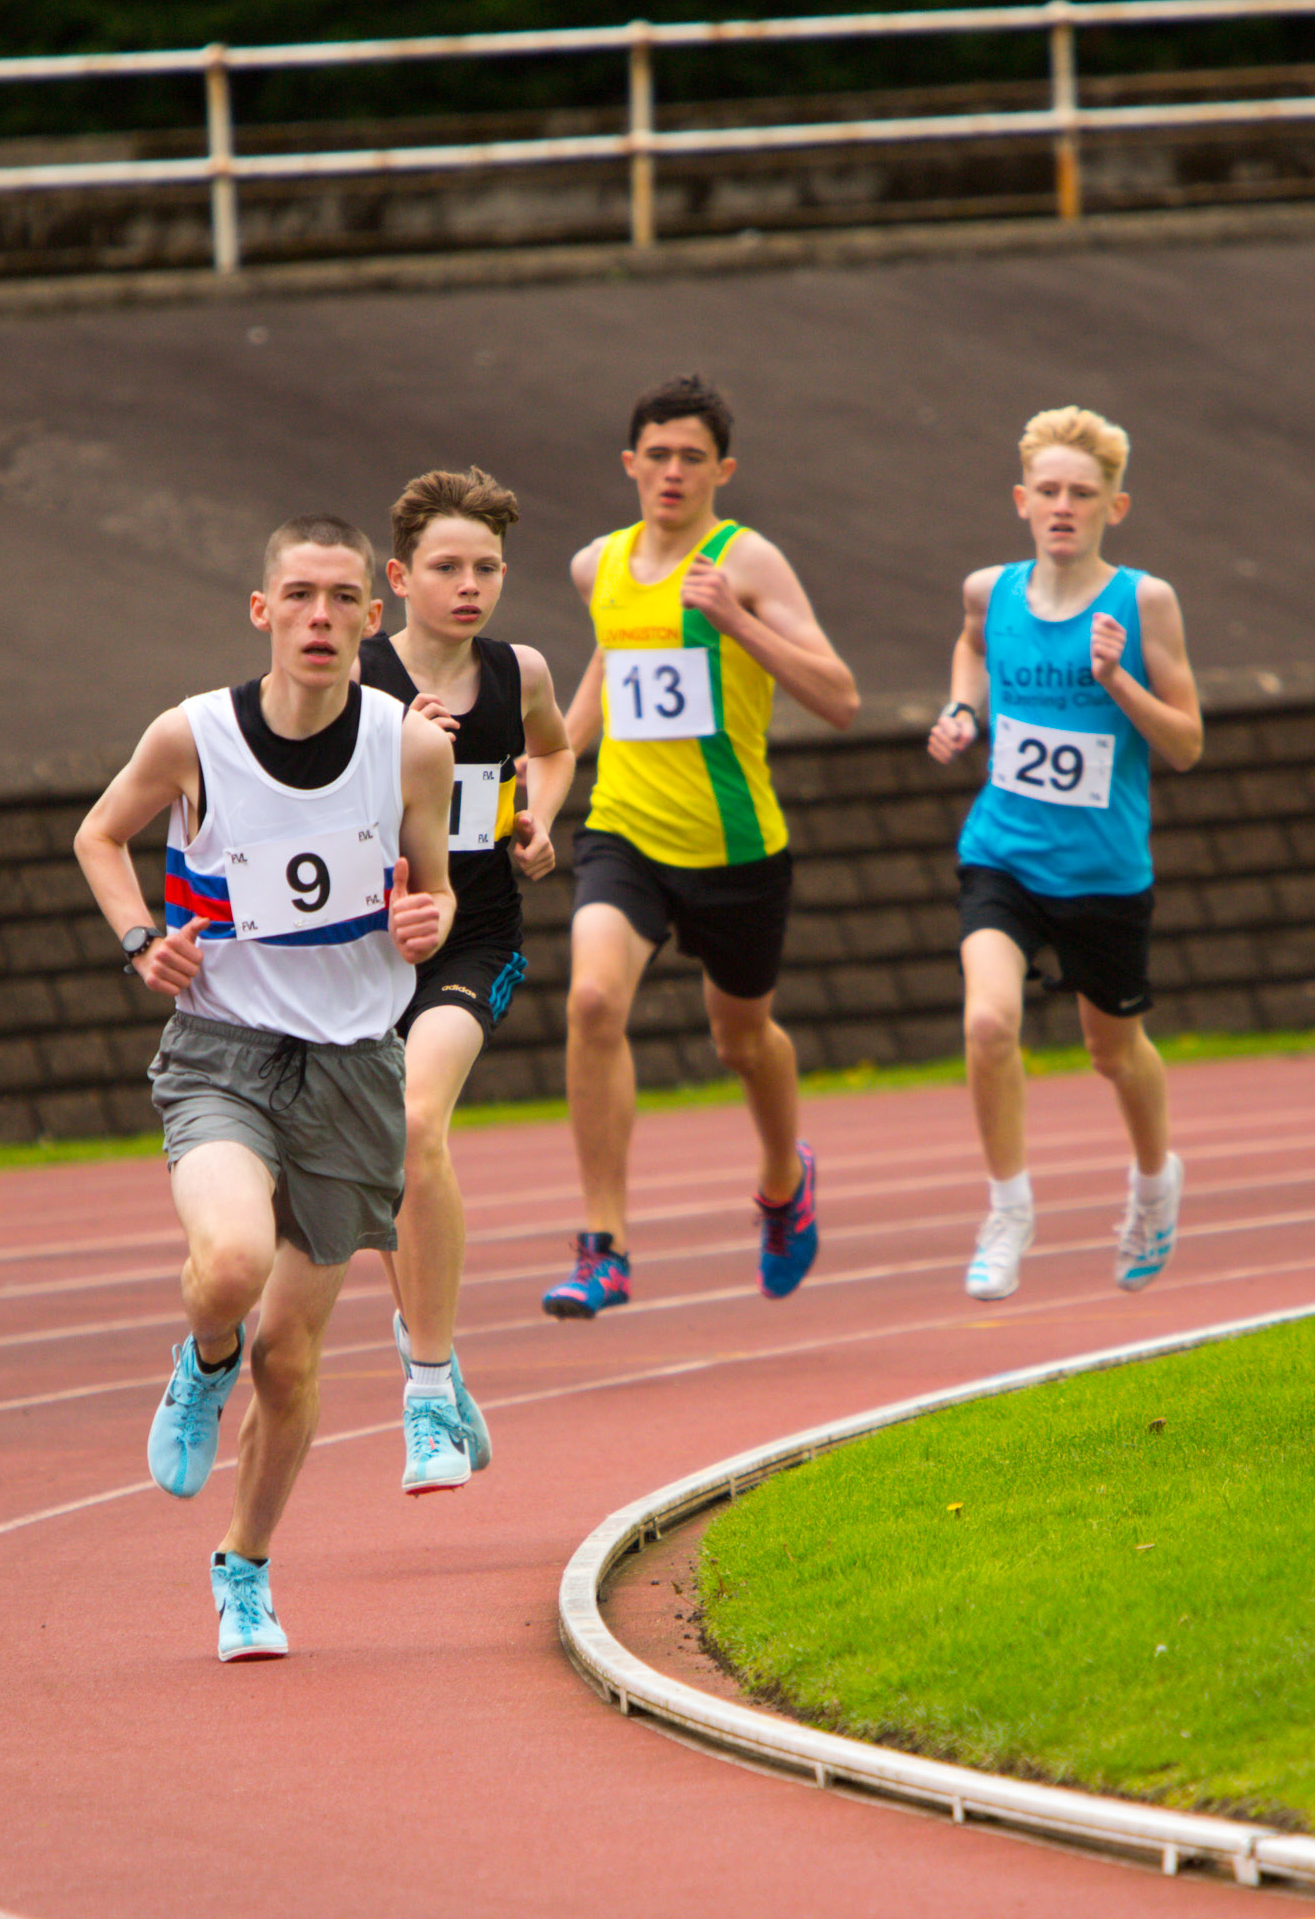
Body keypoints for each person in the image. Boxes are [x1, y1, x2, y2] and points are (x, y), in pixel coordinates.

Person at [74, 515, 455, 1661]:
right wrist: (141, 940)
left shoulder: (408, 749)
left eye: (342, 599)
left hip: (352, 1072)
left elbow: (433, 899)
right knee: (233, 1264)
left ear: (373, 618)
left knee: (290, 1358)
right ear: (263, 611)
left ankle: (243, 1566)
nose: (320, 618)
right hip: (224, 1056)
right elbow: (99, 837)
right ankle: (203, 1358)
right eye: (299, 596)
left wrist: (425, 921)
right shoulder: (191, 736)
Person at [544, 373, 861, 1319]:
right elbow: (611, 668)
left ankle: (784, 1182)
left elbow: (840, 698)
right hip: (626, 831)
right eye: (658, 456)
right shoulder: (598, 565)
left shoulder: (748, 562)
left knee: (742, 1040)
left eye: (692, 458)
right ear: (629, 463)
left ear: (724, 470)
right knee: (592, 1000)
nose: (673, 473)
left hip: (735, 848)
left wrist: (735, 621)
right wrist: (545, 779)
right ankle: (602, 1247)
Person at [926, 406, 1203, 1301]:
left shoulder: (1144, 603)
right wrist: (962, 710)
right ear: (1021, 501)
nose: (1062, 507)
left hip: (1102, 870)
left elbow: (1187, 743)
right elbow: (971, 648)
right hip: (1002, 854)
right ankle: (1008, 1209)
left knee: (1113, 1052)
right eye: (1047, 491)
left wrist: (1118, 680)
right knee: (987, 1023)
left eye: (1082, 494)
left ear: (1114, 508)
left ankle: (1155, 1184)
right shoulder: (990, 591)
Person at [357, 467, 574, 1492]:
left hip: (474, 940)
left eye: (487, 567)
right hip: (364, 953)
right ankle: (429, 1350)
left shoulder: (517, 671)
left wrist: (538, 822)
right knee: (382, 1160)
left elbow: (555, 750)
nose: (469, 585)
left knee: (413, 1122)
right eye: (447, 567)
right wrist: (401, 756)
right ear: (399, 579)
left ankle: (428, 1392)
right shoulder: (353, 682)